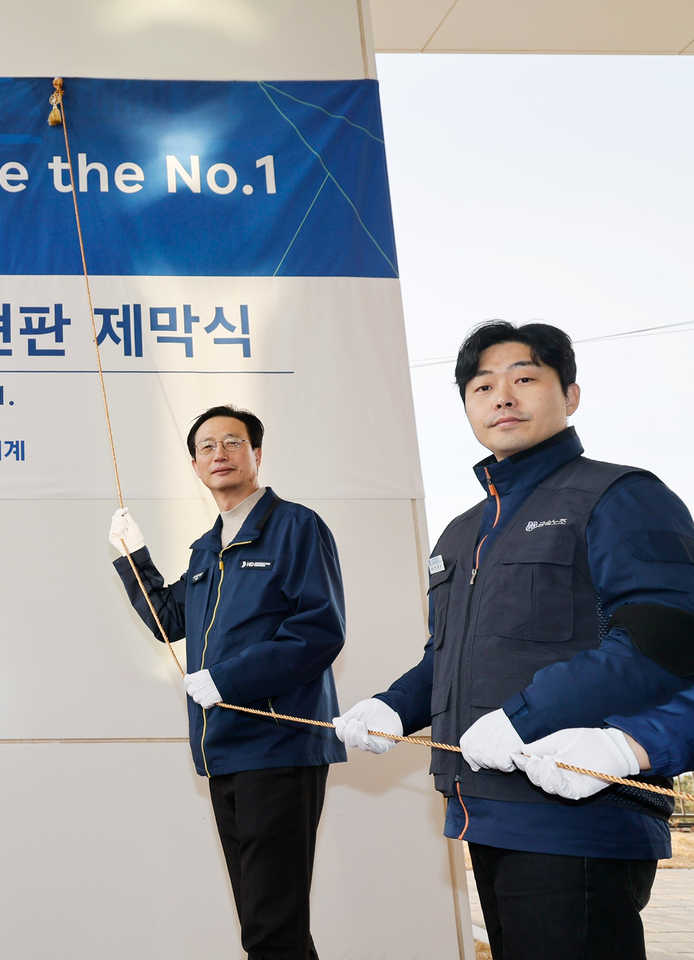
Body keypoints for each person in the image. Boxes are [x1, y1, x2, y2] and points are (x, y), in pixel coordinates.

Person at [334, 321, 694, 960]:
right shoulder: (463, 531)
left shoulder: (619, 496)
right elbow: (448, 658)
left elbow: (665, 642)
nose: (502, 397)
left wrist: (528, 717)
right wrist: (394, 705)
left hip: (579, 811)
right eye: (482, 386)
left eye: (524, 379)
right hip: (486, 808)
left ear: (571, 395)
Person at [108, 404, 345, 960]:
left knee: (269, 928)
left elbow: (318, 630)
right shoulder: (204, 549)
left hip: (278, 745)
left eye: (232, 442)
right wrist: (133, 556)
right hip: (223, 751)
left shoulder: (295, 527)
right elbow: (170, 620)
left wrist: (227, 680)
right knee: (270, 923)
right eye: (206, 446)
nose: (219, 454)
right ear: (194, 465)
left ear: (256, 454)